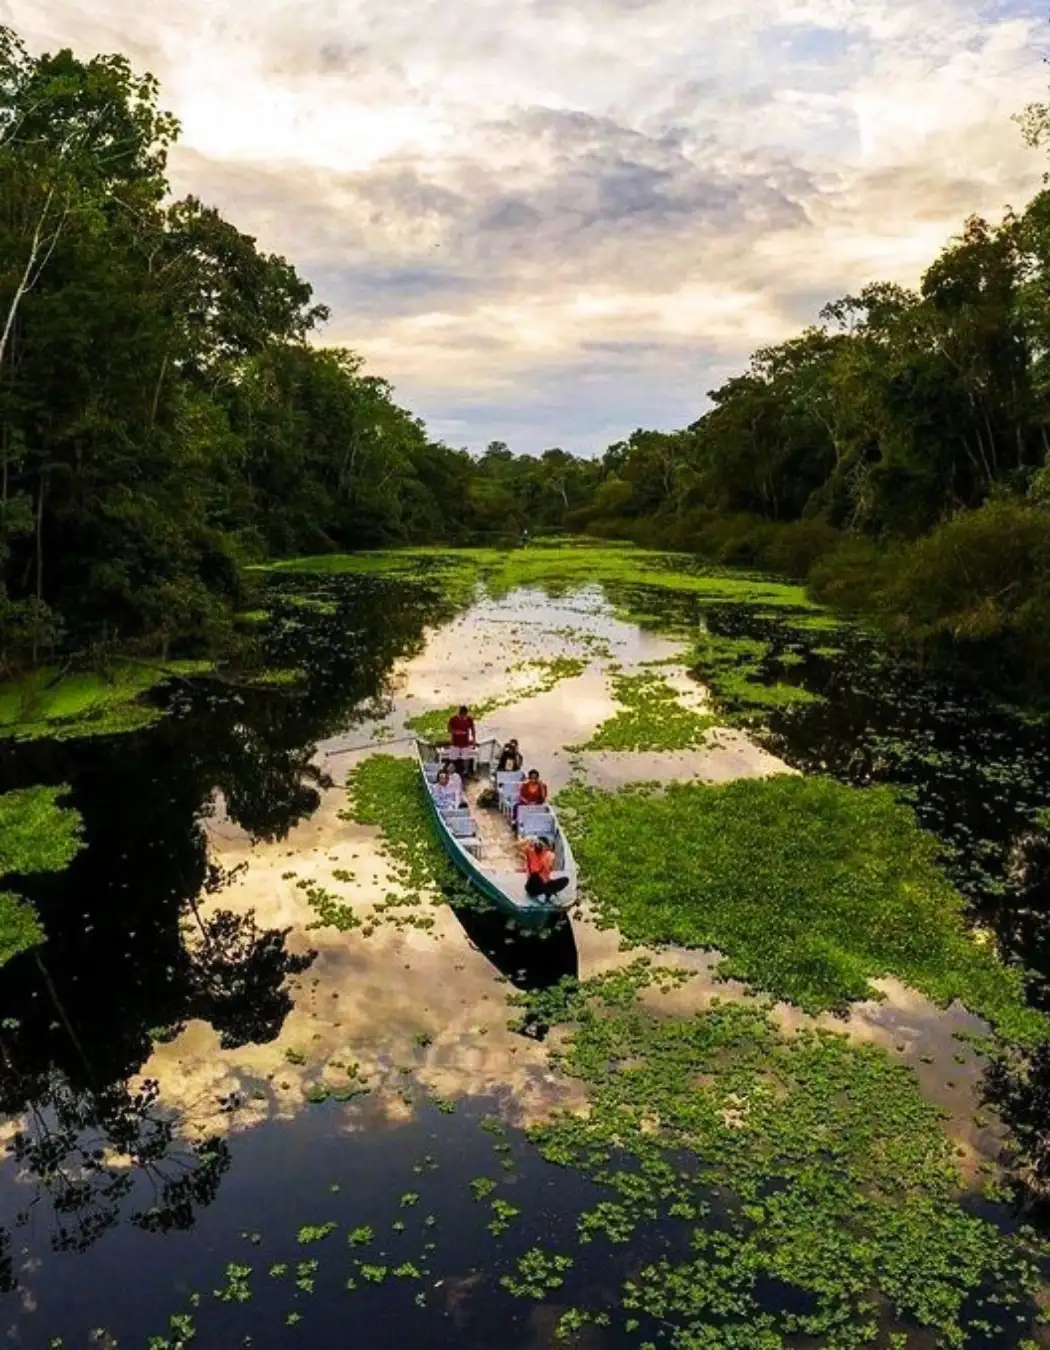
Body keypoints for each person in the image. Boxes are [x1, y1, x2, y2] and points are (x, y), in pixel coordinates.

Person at [520, 836, 569, 902]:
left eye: (540, 844)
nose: (538, 845)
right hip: (532, 885)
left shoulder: (550, 855)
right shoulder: (530, 852)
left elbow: (549, 867)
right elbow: (521, 846)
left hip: (544, 882)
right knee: (535, 875)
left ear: (545, 847)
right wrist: (530, 840)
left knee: (565, 880)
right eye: (536, 843)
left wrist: (544, 859)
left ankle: (547, 890)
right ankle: (547, 890)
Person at [446, 704, 476, 776]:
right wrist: (455, 732)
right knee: (453, 758)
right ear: (459, 713)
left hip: (465, 743)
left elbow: (473, 730)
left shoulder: (469, 719)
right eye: (462, 715)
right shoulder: (453, 719)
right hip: (455, 743)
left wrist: (474, 740)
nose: (464, 717)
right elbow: (449, 729)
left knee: (466, 758)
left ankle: (466, 771)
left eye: (465, 715)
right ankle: (451, 771)